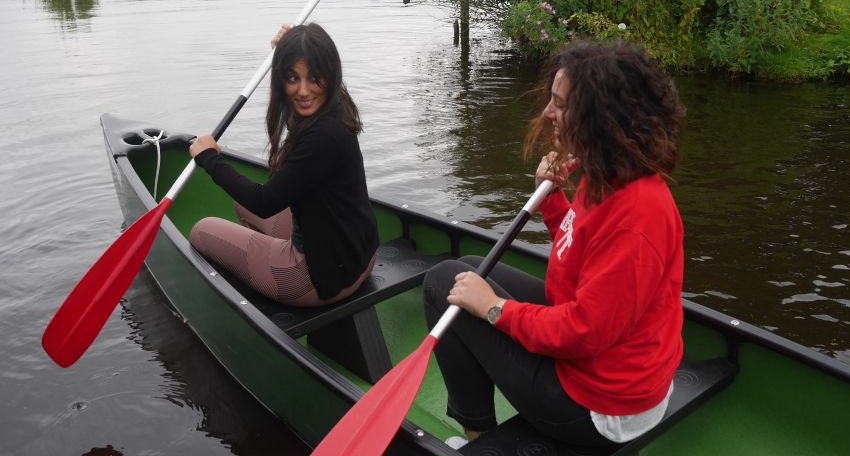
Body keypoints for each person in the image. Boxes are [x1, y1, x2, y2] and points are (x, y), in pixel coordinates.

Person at [423, 40, 686, 449]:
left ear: (600, 118)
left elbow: (583, 332)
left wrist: (495, 309)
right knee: (468, 270)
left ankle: (479, 437)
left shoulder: (637, 215)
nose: (548, 113)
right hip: (604, 363)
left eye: (560, 105)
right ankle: (478, 428)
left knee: (444, 284)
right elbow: (581, 248)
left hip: (601, 408)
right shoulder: (608, 171)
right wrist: (552, 201)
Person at [188, 22, 379, 307]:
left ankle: (256, 292)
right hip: (360, 257)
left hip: (315, 280)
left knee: (202, 230)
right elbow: (310, 92)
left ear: (330, 74)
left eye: (313, 77)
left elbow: (264, 202)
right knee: (242, 204)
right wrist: (289, 50)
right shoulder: (337, 104)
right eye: (292, 78)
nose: (303, 91)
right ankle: (259, 265)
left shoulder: (322, 137)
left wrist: (210, 159)